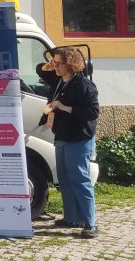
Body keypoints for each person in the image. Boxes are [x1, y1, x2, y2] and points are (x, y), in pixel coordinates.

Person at [37, 47, 99, 238]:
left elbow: (92, 112)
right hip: (62, 136)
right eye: (54, 62)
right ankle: (72, 218)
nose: (55, 66)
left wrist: (65, 108)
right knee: (64, 180)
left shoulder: (85, 85)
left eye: (58, 63)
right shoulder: (58, 79)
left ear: (70, 64)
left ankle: (91, 224)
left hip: (78, 138)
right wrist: (48, 66)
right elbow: (41, 71)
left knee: (79, 180)